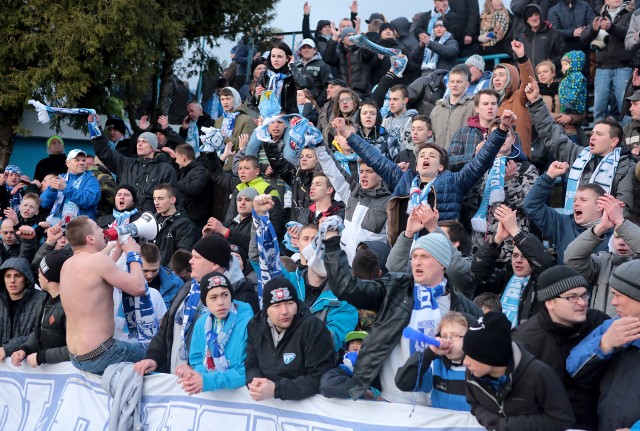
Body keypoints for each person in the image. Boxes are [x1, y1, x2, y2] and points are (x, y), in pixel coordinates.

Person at [322, 225, 481, 403]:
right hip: (392, 401)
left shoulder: (463, 307)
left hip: (439, 405)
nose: (417, 262)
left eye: (425, 257)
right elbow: (346, 288)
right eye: (414, 257)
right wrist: (332, 243)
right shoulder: (394, 288)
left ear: (443, 263)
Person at [339, 110, 516, 243]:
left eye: (431, 156)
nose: (425, 158)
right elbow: (375, 158)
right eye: (422, 155)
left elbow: (481, 161)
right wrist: (349, 135)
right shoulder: (404, 180)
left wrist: (501, 131)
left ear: (440, 166)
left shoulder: (454, 182)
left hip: (438, 248)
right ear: (416, 164)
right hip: (405, 248)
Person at [134, 234, 258, 375]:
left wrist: (199, 369)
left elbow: (243, 349)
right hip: (177, 380)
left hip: (213, 387)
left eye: (197, 258)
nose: (191, 261)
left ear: (214, 264)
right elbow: (166, 330)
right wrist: (153, 358)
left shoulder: (241, 293)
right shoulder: (189, 287)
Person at [250, 194, 358, 351]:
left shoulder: (345, 298)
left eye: (327, 250)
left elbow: (332, 339)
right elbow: (262, 259)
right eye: (316, 246)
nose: (321, 254)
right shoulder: (288, 282)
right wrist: (260, 219)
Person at [513, 266, 609, 431]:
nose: (581, 302)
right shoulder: (524, 341)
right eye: (571, 297)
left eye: (584, 295)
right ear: (549, 302)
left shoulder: (598, 323)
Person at [525, 78, 636, 216]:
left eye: (599, 134)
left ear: (614, 141)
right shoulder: (579, 155)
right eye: (593, 132)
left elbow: (623, 209)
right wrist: (536, 101)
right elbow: (551, 134)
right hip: (575, 225)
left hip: (606, 233)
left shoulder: (626, 167)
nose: (593, 136)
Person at [59, 216, 147, 375]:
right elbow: (139, 287)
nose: (103, 230)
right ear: (90, 239)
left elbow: (101, 272)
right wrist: (133, 254)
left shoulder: (68, 264)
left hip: (77, 356)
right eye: (98, 228)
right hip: (101, 353)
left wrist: (118, 249)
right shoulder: (97, 261)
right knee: (156, 355)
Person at [464, 311, 576, 430]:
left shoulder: (539, 374)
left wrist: (508, 426)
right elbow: (474, 404)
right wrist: (493, 422)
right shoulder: (473, 373)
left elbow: (562, 419)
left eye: (472, 355)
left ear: (492, 356)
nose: (465, 362)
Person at [567, 260, 640, 431]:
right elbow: (573, 367)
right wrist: (604, 344)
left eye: (619, 295)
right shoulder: (611, 327)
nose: (613, 302)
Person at [245, 277, 335, 401]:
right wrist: (255, 382)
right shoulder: (255, 325)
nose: (285, 311)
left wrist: (277, 389)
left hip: (306, 410)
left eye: (289, 303)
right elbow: (251, 365)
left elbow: (319, 376)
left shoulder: (312, 327)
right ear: (266, 310)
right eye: (277, 306)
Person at [471, 205, 554, 326]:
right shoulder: (505, 277)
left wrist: (515, 230)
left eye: (524, 256)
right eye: (515, 255)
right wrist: (497, 239)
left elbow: (546, 263)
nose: (518, 261)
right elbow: (478, 273)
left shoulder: (543, 283)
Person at [313, 142, 392, 264]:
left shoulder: (391, 203)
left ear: (381, 175)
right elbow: (333, 171)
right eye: (362, 171)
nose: (364, 175)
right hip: (345, 265)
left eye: (369, 172)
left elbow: (392, 242)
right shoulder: (352, 192)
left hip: (369, 269)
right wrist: (319, 145)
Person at [564, 194, 640, 316]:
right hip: (603, 332)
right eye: (617, 237)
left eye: (626, 238)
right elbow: (571, 258)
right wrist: (601, 227)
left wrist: (620, 222)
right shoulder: (603, 262)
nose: (621, 243)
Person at [178, 271, 253, 394]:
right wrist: (194, 375)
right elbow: (197, 361)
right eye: (213, 297)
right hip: (214, 397)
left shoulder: (248, 323)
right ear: (205, 302)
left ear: (231, 296)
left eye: (225, 295)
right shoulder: (201, 324)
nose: (220, 302)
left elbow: (247, 371)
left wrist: (207, 381)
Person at [524, 163, 612, 263]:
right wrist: (549, 177)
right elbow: (532, 205)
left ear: (600, 205)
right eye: (575, 200)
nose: (576, 204)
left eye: (583, 200)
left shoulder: (615, 232)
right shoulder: (562, 225)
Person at [90, 115, 177, 213]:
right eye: (138, 141)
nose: (139, 144)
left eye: (144, 142)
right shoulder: (126, 163)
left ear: (153, 147)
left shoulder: (165, 169)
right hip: (123, 218)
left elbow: (169, 200)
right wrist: (95, 126)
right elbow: (104, 151)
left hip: (149, 222)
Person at [395, 311, 470, 411]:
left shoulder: (481, 368)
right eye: (444, 336)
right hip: (443, 425)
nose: (448, 341)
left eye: (455, 336)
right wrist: (429, 353)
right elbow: (403, 383)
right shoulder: (435, 368)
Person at [11, 251, 72, 368]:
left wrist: (41, 357)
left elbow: (77, 349)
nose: (38, 274)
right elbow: (40, 334)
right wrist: (25, 349)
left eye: (41, 271)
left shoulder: (69, 306)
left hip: (68, 377)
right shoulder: (46, 299)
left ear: (49, 277)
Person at [580, 0, 634, 121]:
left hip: (623, 66)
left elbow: (631, 34)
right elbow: (583, 39)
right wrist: (593, 30)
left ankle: (627, 139)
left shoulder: (630, 14)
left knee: (625, 109)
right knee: (599, 109)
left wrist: (611, 27)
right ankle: (598, 138)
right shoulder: (600, 16)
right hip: (602, 67)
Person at [491, 40, 535, 157]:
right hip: (494, 158)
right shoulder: (491, 102)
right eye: (494, 76)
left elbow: (527, 81)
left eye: (501, 75)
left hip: (517, 158)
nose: (496, 79)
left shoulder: (519, 97)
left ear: (512, 78)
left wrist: (521, 57)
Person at [0, 257, 47, 361]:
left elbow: (40, 334)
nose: (12, 281)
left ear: (26, 278)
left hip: (28, 362)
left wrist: (7, 348)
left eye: (18, 276)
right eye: (8, 276)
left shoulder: (42, 300)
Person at [40, 149, 101, 225]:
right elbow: (43, 203)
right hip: (56, 228)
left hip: (80, 229)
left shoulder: (91, 179)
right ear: (68, 163)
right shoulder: (60, 178)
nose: (81, 163)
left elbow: (90, 200)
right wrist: (51, 190)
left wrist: (66, 188)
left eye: (83, 160)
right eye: (77, 160)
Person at [252, 42, 310, 115]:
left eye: (279, 56)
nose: (275, 59)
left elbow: (302, 85)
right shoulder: (264, 75)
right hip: (268, 117)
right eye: (273, 56)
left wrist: (292, 65)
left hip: (288, 116)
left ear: (287, 58)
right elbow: (254, 103)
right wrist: (257, 94)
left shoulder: (291, 74)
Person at [430, 65, 475, 150]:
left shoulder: (473, 106)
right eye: (452, 81)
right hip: (437, 159)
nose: (455, 84)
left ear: (467, 85)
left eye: (459, 82)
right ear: (448, 84)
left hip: (460, 159)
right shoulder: (437, 109)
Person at [324, 25, 377, 97]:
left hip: (361, 94)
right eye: (348, 35)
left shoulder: (362, 51)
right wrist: (335, 37)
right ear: (342, 40)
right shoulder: (339, 53)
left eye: (354, 35)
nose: (352, 37)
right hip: (343, 93)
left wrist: (361, 37)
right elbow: (328, 58)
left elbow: (370, 53)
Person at [152, 184, 198, 267]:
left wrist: (165, 273)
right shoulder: (151, 221)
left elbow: (182, 256)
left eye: (160, 199)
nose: (156, 202)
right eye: (154, 199)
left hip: (169, 275)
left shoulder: (185, 225)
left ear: (172, 200)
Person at [172, 144, 213, 230]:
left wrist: (177, 183)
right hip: (188, 216)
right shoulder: (187, 170)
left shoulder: (199, 170)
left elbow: (195, 189)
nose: (176, 161)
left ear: (183, 158)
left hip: (196, 220)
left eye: (176, 158)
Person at [519, 4, 566, 69]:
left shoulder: (554, 34)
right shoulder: (522, 37)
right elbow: (517, 58)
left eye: (536, 14)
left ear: (541, 16)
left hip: (549, 76)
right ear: (527, 20)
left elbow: (563, 55)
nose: (534, 18)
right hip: (528, 77)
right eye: (530, 16)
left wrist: (550, 65)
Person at [141, 243, 185, 310]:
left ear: (159, 262)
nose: (150, 275)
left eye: (154, 270)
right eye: (145, 270)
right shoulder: (124, 282)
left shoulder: (176, 284)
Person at [382, 85, 419, 154]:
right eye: (390, 99)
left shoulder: (414, 120)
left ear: (405, 100)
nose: (391, 103)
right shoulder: (385, 120)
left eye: (395, 99)